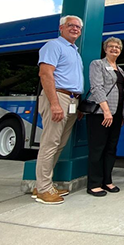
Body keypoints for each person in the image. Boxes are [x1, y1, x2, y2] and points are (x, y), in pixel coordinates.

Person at [34, 15, 84, 205]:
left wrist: (76, 104)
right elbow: (45, 74)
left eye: (78, 27)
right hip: (58, 97)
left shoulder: (74, 52)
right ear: (61, 27)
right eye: (71, 25)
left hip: (71, 100)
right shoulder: (53, 45)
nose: (75, 29)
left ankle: (45, 185)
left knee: (59, 144)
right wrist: (54, 103)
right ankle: (43, 189)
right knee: (50, 143)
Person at [86, 37, 124, 197]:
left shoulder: (121, 70)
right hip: (101, 115)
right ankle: (94, 183)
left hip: (116, 115)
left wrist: (120, 115)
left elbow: (122, 93)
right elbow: (96, 87)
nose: (114, 49)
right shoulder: (97, 64)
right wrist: (106, 111)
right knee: (98, 148)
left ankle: (107, 181)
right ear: (105, 48)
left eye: (117, 47)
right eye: (111, 46)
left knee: (111, 149)